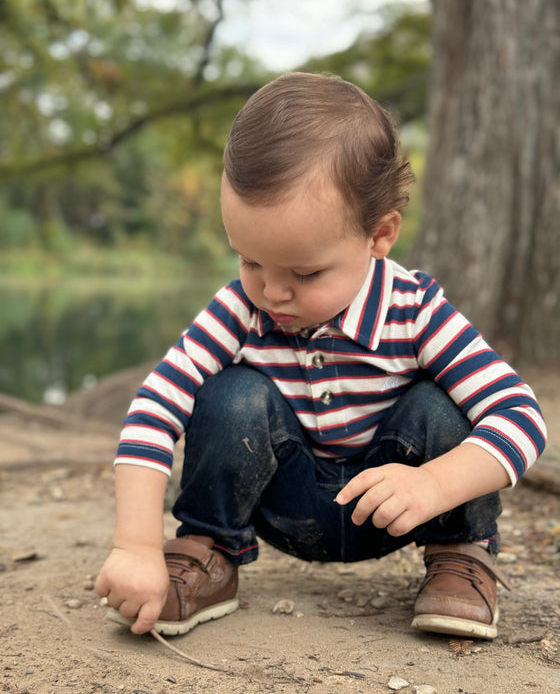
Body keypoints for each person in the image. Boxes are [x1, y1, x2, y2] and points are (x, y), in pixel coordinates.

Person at [95, 72, 546, 641]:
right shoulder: (241, 309)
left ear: (379, 235)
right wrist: (134, 545)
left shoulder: (415, 309)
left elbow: (521, 415)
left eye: (304, 273)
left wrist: (433, 485)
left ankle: (460, 552)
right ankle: (207, 547)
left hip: (398, 503)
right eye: (249, 261)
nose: (272, 292)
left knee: (443, 403)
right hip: (285, 501)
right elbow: (156, 405)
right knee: (229, 393)